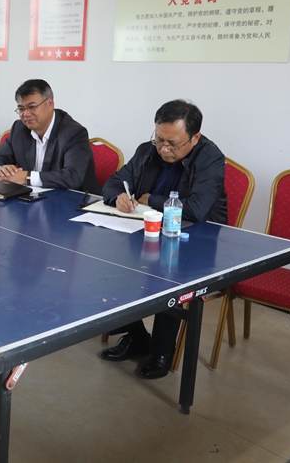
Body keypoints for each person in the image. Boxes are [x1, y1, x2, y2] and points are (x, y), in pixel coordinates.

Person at [100, 99, 227, 379]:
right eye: (159, 140)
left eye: (173, 143)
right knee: (109, 262)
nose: (164, 149)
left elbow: (196, 209)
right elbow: (113, 182)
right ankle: (136, 336)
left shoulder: (211, 159)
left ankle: (162, 351)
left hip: (198, 239)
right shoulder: (147, 151)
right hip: (150, 232)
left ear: (195, 138)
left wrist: (150, 199)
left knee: (169, 273)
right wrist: (118, 196)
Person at [0, 79, 100, 193]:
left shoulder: (73, 133)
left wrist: (27, 177)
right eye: (21, 109)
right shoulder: (19, 129)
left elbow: (72, 177)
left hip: (73, 199)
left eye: (32, 107)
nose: (26, 114)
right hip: (32, 198)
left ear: (50, 104)